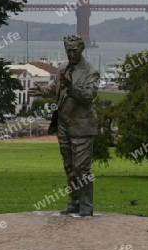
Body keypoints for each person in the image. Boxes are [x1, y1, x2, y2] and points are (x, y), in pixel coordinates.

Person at [29, 34, 100, 216]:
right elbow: (54, 88)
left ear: (81, 49)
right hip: (64, 124)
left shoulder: (90, 71)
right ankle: (73, 202)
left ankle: (86, 206)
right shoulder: (62, 69)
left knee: (82, 167)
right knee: (69, 166)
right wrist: (42, 92)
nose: (71, 54)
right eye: (68, 50)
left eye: (74, 50)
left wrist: (72, 87)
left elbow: (89, 96)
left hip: (83, 126)